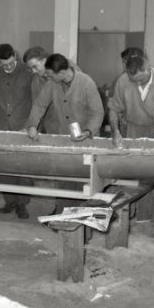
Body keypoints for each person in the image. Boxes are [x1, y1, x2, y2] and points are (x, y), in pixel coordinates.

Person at [108, 54, 154, 242]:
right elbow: (114, 109)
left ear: (148, 69)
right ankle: (141, 216)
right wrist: (115, 132)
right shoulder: (123, 81)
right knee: (136, 173)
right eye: (133, 80)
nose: (137, 83)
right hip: (134, 129)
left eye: (140, 80)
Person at [25, 53, 104, 213]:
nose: (48, 78)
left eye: (50, 75)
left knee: (86, 180)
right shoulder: (52, 84)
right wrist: (32, 125)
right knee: (65, 178)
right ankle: (63, 212)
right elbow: (40, 105)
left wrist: (88, 131)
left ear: (62, 73)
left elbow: (97, 113)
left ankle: (82, 215)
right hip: (65, 137)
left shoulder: (86, 83)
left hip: (87, 139)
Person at [0, 44, 33, 219]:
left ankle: (22, 204)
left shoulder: (28, 72)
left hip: (24, 126)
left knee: (24, 168)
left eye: (11, 63)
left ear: (15, 56)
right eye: (5, 65)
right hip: (2, 127)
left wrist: (33, 125)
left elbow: (38, 98)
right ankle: (9, 202)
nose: (9, 67)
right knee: (4, 167)